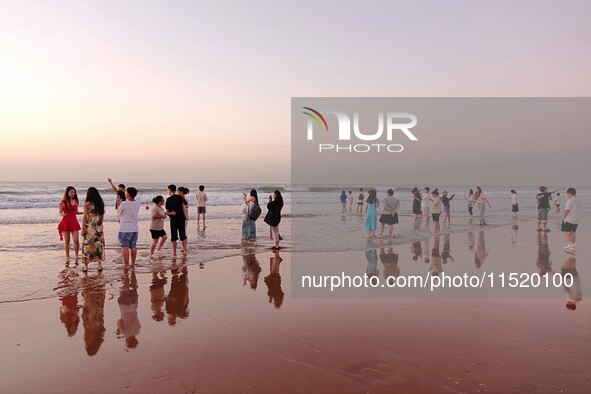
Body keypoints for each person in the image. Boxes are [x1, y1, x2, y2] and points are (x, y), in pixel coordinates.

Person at [81, 187, 105, 272]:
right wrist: (100, 224)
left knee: (88, 245)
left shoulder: (87, 203)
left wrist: (83, 228)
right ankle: (99, 266)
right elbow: (102, 216)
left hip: (90, 225)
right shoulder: (100, 203)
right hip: (98, 225)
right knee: (98, 245)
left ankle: (86, 267)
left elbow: (84, 216)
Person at [117, 187, 141, 267]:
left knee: (124, 246)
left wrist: (119, 204)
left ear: (128, 194)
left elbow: (119, 213)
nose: (125, 193)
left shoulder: (124, 203)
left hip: (125, 228)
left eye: (126, 192)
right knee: (133, 246)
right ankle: (133, 263)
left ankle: (126, 264)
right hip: (134, 228)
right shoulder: (138, 203)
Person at [57, 186, 82, 262]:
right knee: (67, 241)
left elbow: (76, 212)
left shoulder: (75, 201)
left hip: (74, 222)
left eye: (74, 192)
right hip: (65, 222)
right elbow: (60, 213)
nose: (73, 193)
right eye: (71, 192)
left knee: (76, 240)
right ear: (67, 192)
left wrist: (84, 212)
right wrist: (62, 214)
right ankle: (67, 257)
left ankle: (76, 256)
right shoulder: (62, 202)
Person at [165, 185, 187, 256]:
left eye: (167, 190)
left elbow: (167, 212)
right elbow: (186, 206)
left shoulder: (168, 200)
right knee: (183, 235)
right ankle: (184, 251)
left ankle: (174, 253)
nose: (167, 191)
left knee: (174, 237)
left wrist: (170, 213)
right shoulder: (181, 197)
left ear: (170, 190)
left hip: (173, 220)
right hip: (181, 218)